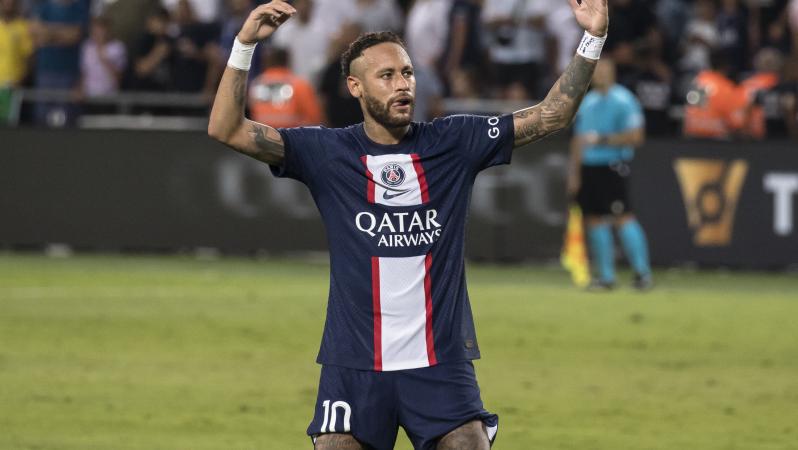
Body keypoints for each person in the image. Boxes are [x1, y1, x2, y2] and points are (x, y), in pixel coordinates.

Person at [208, 1, 609, 448]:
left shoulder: (453, 142)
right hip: (355, 362)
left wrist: (592, 37)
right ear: (355, 87)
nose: (402, 86)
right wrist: (244, 45)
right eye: (387, 76)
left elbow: (551, 114)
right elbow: (226, 129)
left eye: (407, 73)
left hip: (439, 363)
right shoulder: (326, 152)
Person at [567, 58, 653, 290]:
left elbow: (637, 136)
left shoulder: (624, 100)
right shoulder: (587, 102)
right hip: (589, 168)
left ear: (614, 73)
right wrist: (574, 173)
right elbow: (578, 140)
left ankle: (642, 274)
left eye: (605, 70)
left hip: (613, 165)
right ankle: (606, 277)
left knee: (622, 216)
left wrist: (604, 139)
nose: (601, 75)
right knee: (594, 218)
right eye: (597, 71)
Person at [248, 47, 323, 128]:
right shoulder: (299, 84)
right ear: (287, 61)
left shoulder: (257, 84)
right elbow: (314, 117)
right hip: (292, 136)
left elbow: (251, 112)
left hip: (262, 135)